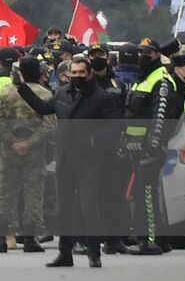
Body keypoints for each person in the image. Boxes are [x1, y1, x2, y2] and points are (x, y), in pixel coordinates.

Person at [11, 52, 121, 267]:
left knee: (89, 206)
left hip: (89, 159)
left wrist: (94, 140)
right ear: (68, 74)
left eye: (82, 72)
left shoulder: (102, 97)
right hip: (65, 157)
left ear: (89, 73)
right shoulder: (62, 94)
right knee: (64, 207)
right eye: (74, 72)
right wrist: (22, 88)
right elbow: (44, 108)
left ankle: (93, 252)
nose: (78, 76)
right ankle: (65, 253)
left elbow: (115, 124)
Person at [0, 55, 55, 253]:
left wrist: (11, 141)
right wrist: (30, 143)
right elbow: (50, 123)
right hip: (35, 148)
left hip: (9, 148)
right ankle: (30, 237)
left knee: (5, 193)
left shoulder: (5, 92)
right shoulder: (43, 93)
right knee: (33, 193)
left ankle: (1, 237)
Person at [123, 37, 178, 254]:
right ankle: (162, 240)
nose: (142, 56)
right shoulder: (142, 79)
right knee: (142, 192)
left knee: (145, 193)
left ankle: (150, 240)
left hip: (149, 148)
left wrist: (154, 144)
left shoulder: (161, 80)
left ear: (156, 54)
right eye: (140, 52)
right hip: (135, 146)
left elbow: (161, 115)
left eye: (146, 52)